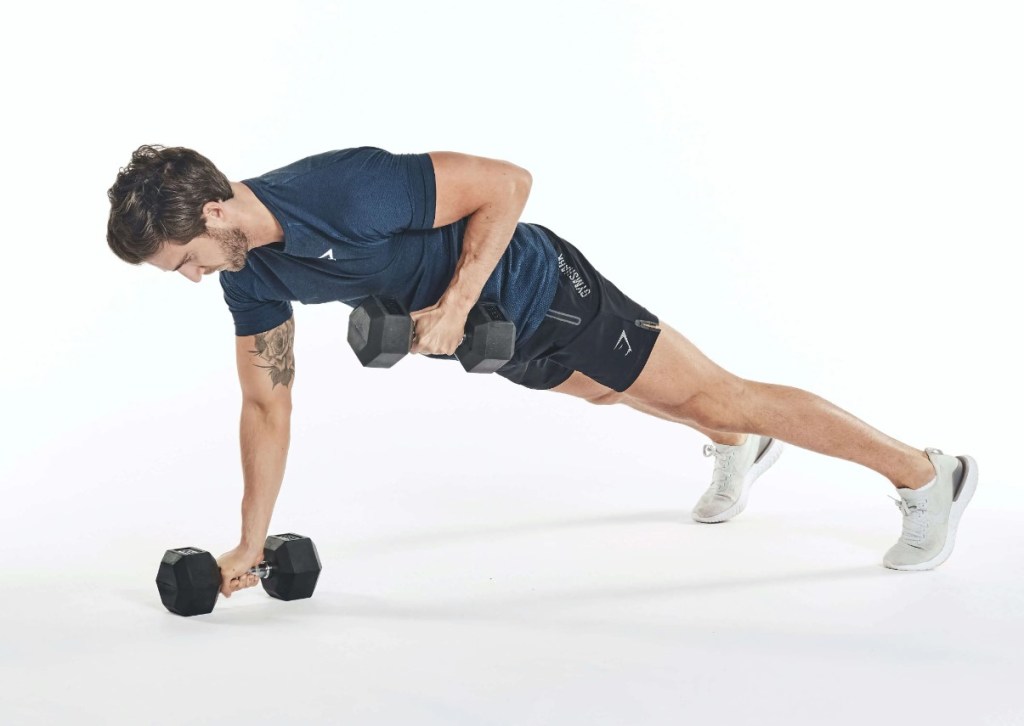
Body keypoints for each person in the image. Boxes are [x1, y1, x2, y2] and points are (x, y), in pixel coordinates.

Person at [107, 144, 978, 596]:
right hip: (495, 339)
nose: (191, 278)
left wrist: (449, 309)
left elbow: (510, 183)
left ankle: (925, 474)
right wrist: (253, 544)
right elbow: (266, 403)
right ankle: (735, 448)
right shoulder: (249, 273)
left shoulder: (340, 189)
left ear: (215, 209)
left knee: (717, 388)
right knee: (617, 393)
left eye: (184, 258)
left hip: (540, 288)